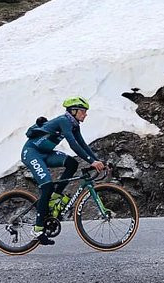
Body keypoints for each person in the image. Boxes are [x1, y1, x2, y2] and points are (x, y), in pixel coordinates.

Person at [21, 96, 105, 245]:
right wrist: (92, 161)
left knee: (72, 164)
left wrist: (98, 161)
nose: (85, 114)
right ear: (73, 111)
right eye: (83, 111)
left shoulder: (74, 125)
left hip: (45, 154)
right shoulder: (63, 121)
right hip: (32, 152)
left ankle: (55, 197)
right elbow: (73, 145)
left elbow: (83, 145)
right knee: (46, 186)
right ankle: (38, 229)